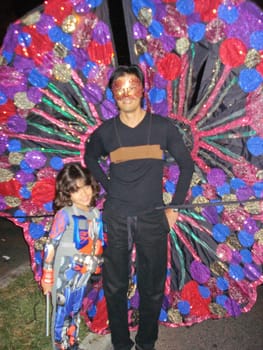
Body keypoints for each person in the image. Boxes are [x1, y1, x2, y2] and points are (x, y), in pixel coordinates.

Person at [84, 65, 194, 350]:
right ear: (112, 94)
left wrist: (175, 208)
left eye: (131, 85)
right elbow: (90, 157)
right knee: (115, 285)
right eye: (119, 88)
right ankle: (121, 343)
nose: (126, 93)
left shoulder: (161, 127)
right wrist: (109, 187)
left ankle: (147, 342)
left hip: (153, 217)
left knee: (152, 286)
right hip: (117, 217)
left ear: (142, 89)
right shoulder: (105, 132)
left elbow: (186, 164)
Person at [41, 163, 104, 350]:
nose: (84, 194)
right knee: (61, 314)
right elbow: (50, 245)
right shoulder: (64, 215)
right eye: (76, 190)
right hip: (64, 276)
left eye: (85, 187)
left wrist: (99, 264)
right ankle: (60, 346)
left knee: (75, 312)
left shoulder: (95, 213)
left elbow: (97, 242)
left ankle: (72, 343)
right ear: (67, 193)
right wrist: (47, 276)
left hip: (82, 275)